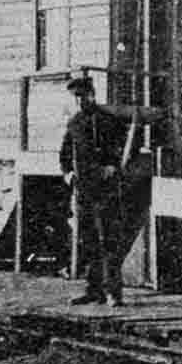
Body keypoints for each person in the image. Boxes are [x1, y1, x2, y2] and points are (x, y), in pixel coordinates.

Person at [59, 72, 130, 306]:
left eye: (83, 95)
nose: (80, 100)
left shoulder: (108, 120)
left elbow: (121, 149)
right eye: (76, 97)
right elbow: (65, 154)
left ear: (92, 94)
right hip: (83, 190)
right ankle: (93, 290)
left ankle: (113, 292)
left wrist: (112, 165)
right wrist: (68, 173)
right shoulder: (75, 123)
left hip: (106, 190)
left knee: (109, 240)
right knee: (88, 241)